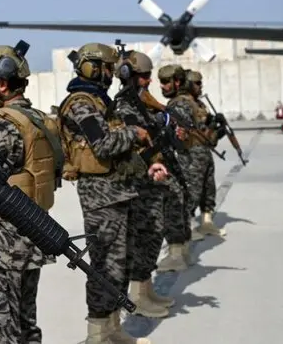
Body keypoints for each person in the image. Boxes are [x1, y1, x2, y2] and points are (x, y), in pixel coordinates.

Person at [57, 42, 168, 344]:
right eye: (107, 68)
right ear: (92, 68)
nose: (111, 73)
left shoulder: (99, 101)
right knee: (104, 267)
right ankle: (97, 334)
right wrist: (134, 133)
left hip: (118, 193)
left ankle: (112, 328)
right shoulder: (81, 103)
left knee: (120, 266)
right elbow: (103, 145)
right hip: (100, 198)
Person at [0, 41, 62, 344]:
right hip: (31, 240)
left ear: (1, 83)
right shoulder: (39, 121)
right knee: (24, 327)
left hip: (0, 250)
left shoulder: (3, 127)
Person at [112, 51, 177, 317]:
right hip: (136, 183)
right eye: (144, 76)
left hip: (150, 180)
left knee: (154, 232)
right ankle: (138, 296)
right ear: (128, 75)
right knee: (143, 236)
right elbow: (133, 145)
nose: (149, 81)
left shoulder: (142, 105)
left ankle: (146, 289)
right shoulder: (124, 107)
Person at [157, 64, 205, 265]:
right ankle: (182, 251)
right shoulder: (187, 102)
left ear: (177, 82)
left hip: (183, 159)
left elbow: (179, 135)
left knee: (175, 204)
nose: (162, 86)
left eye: (166, 82)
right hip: (188, 158)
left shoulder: (178, 105)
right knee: (182, 203)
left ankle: (177, 255)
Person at [185, 70, 226, 237]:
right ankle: (187, 227)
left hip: (204, 152)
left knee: (208, 189)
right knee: (193, 191)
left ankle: (207, 223)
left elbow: (207, 134)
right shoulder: (185, 105)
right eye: (197, 83)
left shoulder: (200, 105)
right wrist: (211, 128)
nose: (200, 86)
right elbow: (197, 131)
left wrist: (216, 129)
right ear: (188, 84)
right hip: (192, 154)